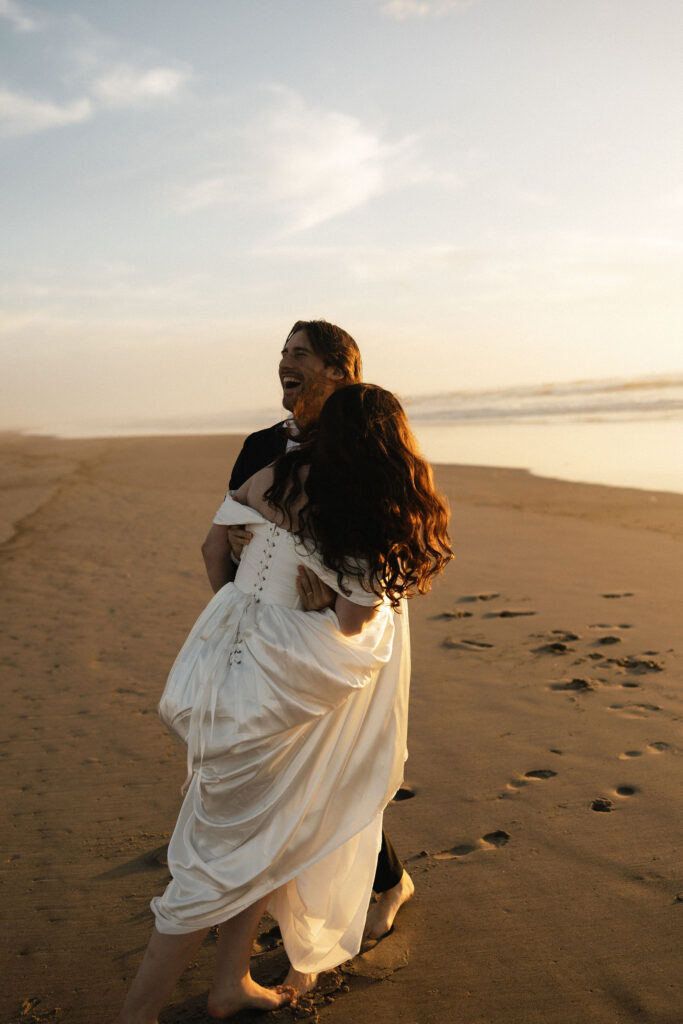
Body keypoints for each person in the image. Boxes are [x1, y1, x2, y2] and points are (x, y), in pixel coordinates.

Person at [115, 383, 453, 1023]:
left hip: (224, 663)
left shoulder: (272, 472)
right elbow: (354, 622)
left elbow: (221, 543)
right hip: (286, 683)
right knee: (216, 863)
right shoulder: (365, 510)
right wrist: (327, 587)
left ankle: (230, 983)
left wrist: (254, 588)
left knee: (265, 834)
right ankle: (136, 1014)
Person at [201, 320, 414, 941]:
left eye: (301, 354)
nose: (284, 363)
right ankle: (260, 889)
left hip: (340, 624)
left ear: (340, 372)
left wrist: (335, 586)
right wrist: (233, 612)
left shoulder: (361, 438)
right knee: (280, 767)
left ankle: (386, 880)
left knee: (336, 765)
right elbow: (231, 530)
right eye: (283, 353)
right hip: (267, 625)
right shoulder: (260, 444)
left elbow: (383, 544)